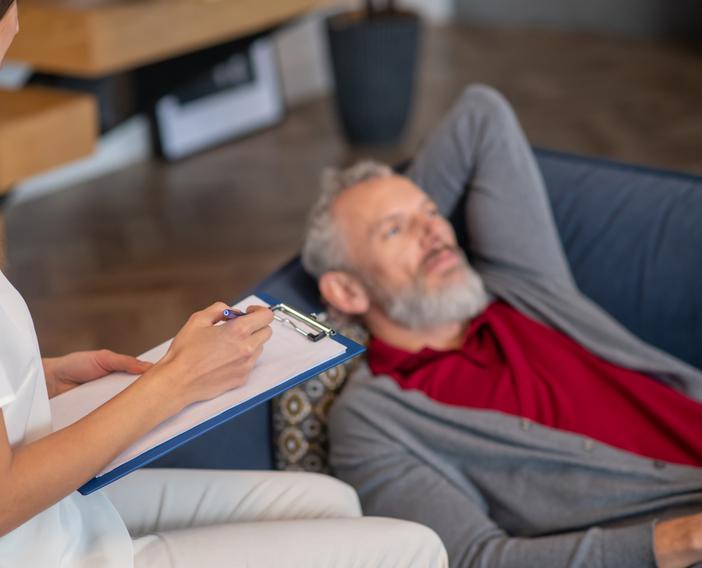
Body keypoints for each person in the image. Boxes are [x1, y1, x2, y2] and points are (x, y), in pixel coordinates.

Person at [0, 1, 450, 567]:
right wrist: (176, 383)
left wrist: (26, 378)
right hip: (30, 550)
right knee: (414, 548)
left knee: (331, 502)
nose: (17, 22)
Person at [301, 84, 702, 568]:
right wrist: (682, 541)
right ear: (346, 292)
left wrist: (399, 221)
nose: (435, 231)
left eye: (432, 212)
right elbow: (474, 558)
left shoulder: (521, 287)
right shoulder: (374, 418)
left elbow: (481, 114)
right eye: (394, 229)